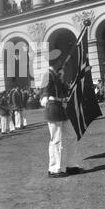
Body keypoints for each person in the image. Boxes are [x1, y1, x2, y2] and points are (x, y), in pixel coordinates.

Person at [40, 49, 83, 178]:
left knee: (72, 136)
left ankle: (71, 165)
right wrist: (49, 97)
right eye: (59, 60)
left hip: (61, 109)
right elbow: (44, 93)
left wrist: (61, 78)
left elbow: (64, 90)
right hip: (54, 109)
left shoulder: (55, 74)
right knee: (56, 140)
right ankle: (54, 169)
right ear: (56, 61)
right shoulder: (48, 74)